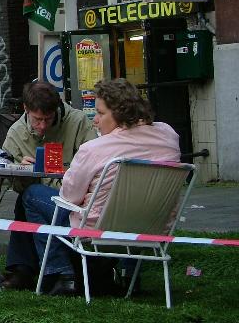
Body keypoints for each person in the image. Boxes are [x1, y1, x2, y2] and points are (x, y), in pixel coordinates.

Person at [21, 78, 181, 296]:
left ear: (120, 112)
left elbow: (69, 197)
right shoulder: (169, 137)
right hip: (153, 226)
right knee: (136, 207)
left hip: (98, 228)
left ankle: (60, 273)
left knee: (32, 195)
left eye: (100, 113)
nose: (95, 120)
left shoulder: (95, 149)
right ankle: (128, 275)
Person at [0, 81, 97, 290]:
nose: (42, 126)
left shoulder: (77, 121)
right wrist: (21, 170)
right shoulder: (16, 133)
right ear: (26, 110)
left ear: (58, 109)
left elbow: (94, 165)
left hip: (74, 199)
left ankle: (40, 270)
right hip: (45, 199)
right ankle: (28, 269)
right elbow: (3, 175)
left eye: (48, 119)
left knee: (29, 197)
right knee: (27, 196)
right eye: (37, 120)